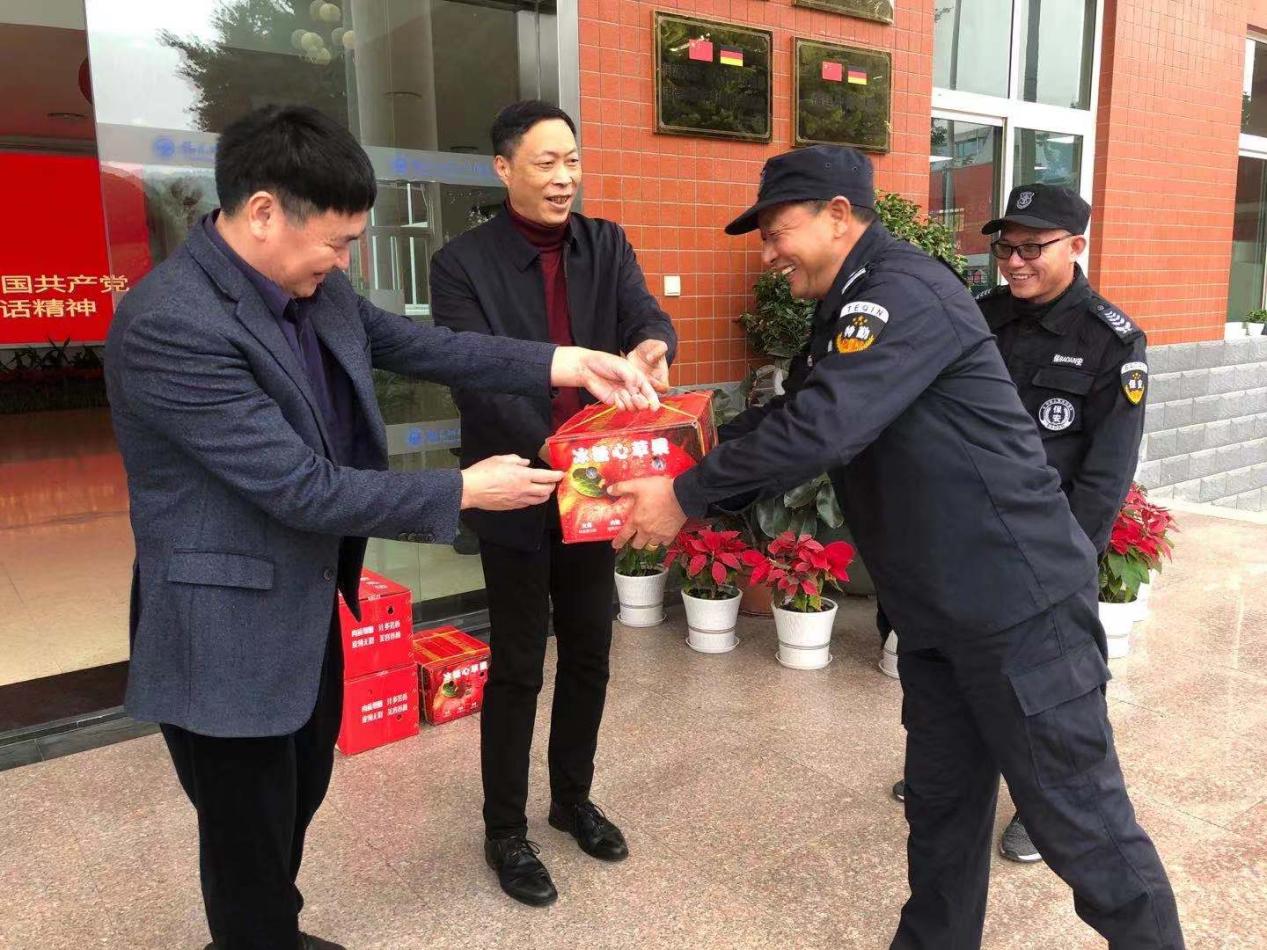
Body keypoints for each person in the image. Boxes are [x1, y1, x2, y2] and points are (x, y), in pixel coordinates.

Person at [104, 104, 660, 950]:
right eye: (337, 242)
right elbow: (299, 486)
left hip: (301, 604)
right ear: (263, 213)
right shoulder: (172, 323)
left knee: (297, 799)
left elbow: (424, 346)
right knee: (247, 838)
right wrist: (463, 490)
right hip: (223, 625)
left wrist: (567, 361)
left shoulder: (315, 288)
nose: (344, 261)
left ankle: (272, 933)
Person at [608, 145, 1184, 949]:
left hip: (1015, 608)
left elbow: (824, 428)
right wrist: (675, 461)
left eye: (777, 232)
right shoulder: (849, 302)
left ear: (838, 216)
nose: (768, 254)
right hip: (937, 611)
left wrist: (684, 496)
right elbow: (791, 413)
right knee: (941, 810)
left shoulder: (902, 293)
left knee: (1080, 826)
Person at [430, 100, 676, 907]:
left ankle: (572, 799)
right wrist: (553, 448)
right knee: (516, 665)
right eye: (545, 162)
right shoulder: (461, 263)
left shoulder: (604, 242)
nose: (564, 177)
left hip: (593, 489)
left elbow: (643, 312)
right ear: (503, 169)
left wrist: (653, 344)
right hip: (514, 483)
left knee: (590, 651)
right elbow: (472, 375)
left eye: (571, 159)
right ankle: (505, 828)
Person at [890, 182, 1149, 867]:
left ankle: (1045, 802)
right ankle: (953, 770)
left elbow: (1105, 474)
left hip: (1048, 552)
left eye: (1032, 249)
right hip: (967, 541)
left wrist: (1065, 563)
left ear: (1076, 245)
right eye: (1005, 248)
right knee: (959, 668)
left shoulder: (1110, 340)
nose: (1013, 262)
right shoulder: (978, 317)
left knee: (1059, 688)